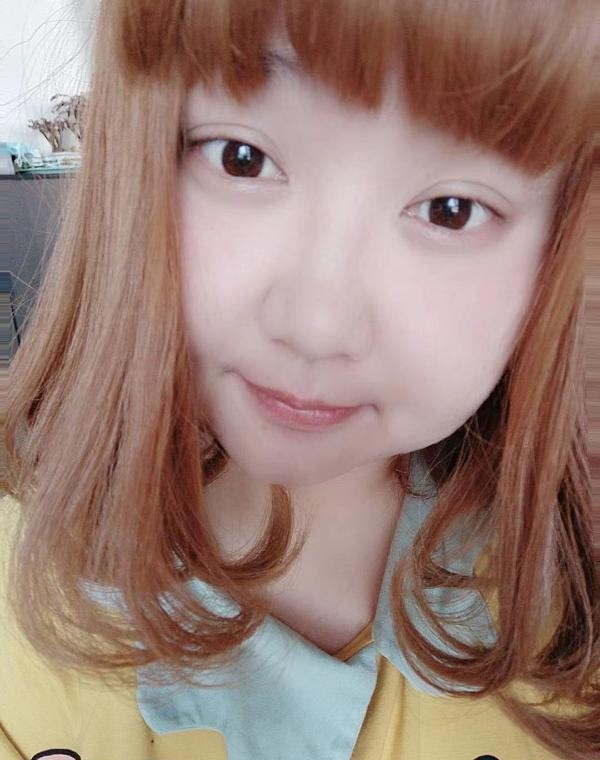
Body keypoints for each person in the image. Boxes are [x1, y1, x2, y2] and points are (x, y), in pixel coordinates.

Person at [1, 0, 598, 759]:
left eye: (452, 211)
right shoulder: (17, 589)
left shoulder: (569, 615)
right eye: (240, 159)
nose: (317, 324)